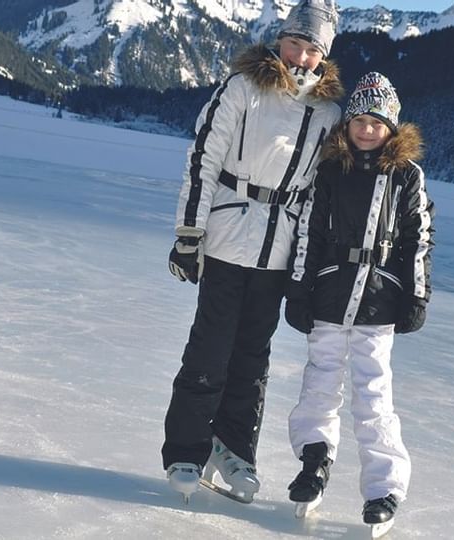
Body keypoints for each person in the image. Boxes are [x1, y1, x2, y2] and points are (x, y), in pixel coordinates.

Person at [161, 0, 344, 503]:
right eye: (294, 44)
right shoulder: (244, 87)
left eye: (312, 50)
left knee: (253, 357)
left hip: (277, 251)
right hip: (225, 237)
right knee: (210, 349)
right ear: (279, 41)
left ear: (323, 56)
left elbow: (316, 198)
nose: (301, 57)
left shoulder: (327, 113)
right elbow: (203, 158)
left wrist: (304, 267)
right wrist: (188, 235)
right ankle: (186, 449)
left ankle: (234, 449)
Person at [283, 72, 433, 527]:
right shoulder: (330, 170)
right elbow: (307, 231)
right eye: (360, 120)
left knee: (373, 396)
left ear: (391, 126)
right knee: (319, 384)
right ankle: (313, 464)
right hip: (330, 293)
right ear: (347, 124)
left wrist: (416, 295)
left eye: (377, 122)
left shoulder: (406, 176)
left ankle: (383, 488)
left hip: (378, 302)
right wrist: (299, 289)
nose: (368, 130)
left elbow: (419, 239)